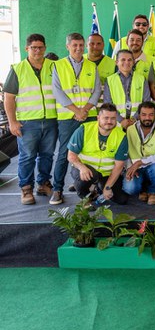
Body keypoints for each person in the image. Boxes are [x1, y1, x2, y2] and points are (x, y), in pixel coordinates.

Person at [3, 33, 57, 204]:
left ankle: (43, 183)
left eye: (40, 47)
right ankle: (26, 189)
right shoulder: (17, 69)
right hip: (27, 123)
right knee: (27, 156)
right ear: (27, 49)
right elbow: (9, 97)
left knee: (47, 155)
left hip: (51, 120)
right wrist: (12, 122)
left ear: (45, 48)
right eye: (34, 47)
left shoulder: (54, 66)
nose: (37, 50)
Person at [50, 32, 101, 205]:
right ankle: (57, 189)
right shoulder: (58, 65)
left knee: (90, 152)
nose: (78, 48)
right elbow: (57, 91)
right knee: (65, 153)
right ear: (68, 47)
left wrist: (85, 109)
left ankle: (90, 188)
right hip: (67, 117)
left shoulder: (92, 66)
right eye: (75, 45)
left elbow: (96, 90)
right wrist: (75, 111)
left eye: (81, 45)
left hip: (89, 115)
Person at [66, 103, 129, 205]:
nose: (109, 121)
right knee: (86, 177)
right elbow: (71, 155)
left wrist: (107, 187)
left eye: (113, 118)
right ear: (98, 118)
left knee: (121, 199)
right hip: (86, 170)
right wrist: (82, 168)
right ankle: (85, 196)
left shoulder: (121, 136)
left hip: (107, 173)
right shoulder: (84, 129)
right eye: (106, 118)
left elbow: (119, 166)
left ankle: (98, 187)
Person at [122, 102, 155, 206]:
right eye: (144, 114)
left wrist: (140, 162)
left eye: (151, 114)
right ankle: (142, 190)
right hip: (134, 168)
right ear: (139, 116)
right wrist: (130, 167)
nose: (147, 118)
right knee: (130, 188)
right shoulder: (129, 130)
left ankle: (153, 192)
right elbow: (124, 153)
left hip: (152, 167)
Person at [103, 50, 150, 130]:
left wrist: (134, 119)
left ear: (133, 62)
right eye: (123, 60)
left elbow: (146, 101)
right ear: (116, 62)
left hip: (137, 123)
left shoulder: (141, 79)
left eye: (129, 60)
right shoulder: (110, 80)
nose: (126, 62)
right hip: (117, 123)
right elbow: (108, 103)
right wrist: (121, 120)